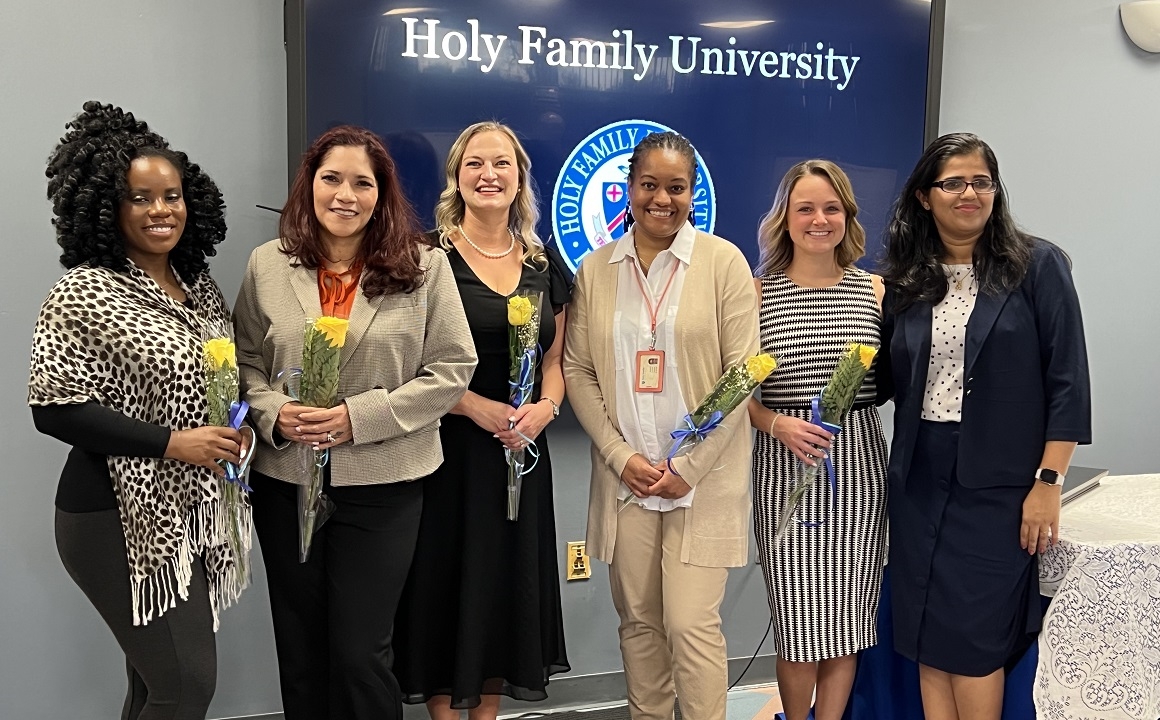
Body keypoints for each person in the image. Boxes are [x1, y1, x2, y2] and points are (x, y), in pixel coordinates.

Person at [234, 125, 477, 720]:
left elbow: (452, 368)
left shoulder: (425, 266)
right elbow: (244, 362)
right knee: (301, 648)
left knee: (359, 652)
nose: (345, 195)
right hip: (287, 482)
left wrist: (356, 418)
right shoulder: (268, 263)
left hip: (383, 484)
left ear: (382, 193)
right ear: (309, 185)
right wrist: (274, 413)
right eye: (331, 179)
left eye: (362, 183)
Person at [30, 101, 248, 720]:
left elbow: (215, 384)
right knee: (186, 685)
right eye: (140, 198)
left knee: (156, 687)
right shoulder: (84, 291)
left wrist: (239, 427)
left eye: (172, 196)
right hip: (112, 513)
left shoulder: (199, 286)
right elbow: (55, 409)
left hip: (189, 510)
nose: (161, 210)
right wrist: (173, 443)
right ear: (108, 207)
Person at [878, 132, 1091, 720]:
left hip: (999, 487)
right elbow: (882, 380)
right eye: (953, 183)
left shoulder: (1037, 266)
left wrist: (1048, 482)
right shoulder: (908, 280)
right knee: (925, 635)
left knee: (973, 645)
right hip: (919, 479)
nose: (969, 193)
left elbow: (1068, 383)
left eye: (981, 182)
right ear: (925, 196)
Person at [563, 131, 759, 720]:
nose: (661, 199)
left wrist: (688, 467)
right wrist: (619, 455)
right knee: (640, 622)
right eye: (649, 185)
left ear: (693, 193)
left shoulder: (724, 263)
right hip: (628, 480)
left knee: (690, 624)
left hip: (703, 482)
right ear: (629, 188)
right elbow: (577, 369)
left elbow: (742, 373)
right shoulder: (596, 269)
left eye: (676, 187)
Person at [393, 121, 571, 720]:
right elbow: (404, 361)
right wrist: (473, 405)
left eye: (501, 164)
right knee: (446, 594)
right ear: (456, 177)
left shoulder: (544, 263)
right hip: (446, 457)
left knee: (503, 597)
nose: (488, 175)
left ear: (520, 178)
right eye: (475, 163)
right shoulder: (425, 259)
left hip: (521, 455)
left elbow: (556, 362)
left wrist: (545, 409)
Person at [747, 161, 888, 720]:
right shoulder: (756, 294)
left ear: (847, 216)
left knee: (847, 623)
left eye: (831, 208)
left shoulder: (874, 289)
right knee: (797, 626)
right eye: (804, 208)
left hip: (858, 470)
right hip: (784, 470)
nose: (819, 219)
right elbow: (736, 394)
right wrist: (776, 424)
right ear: (784, 218)